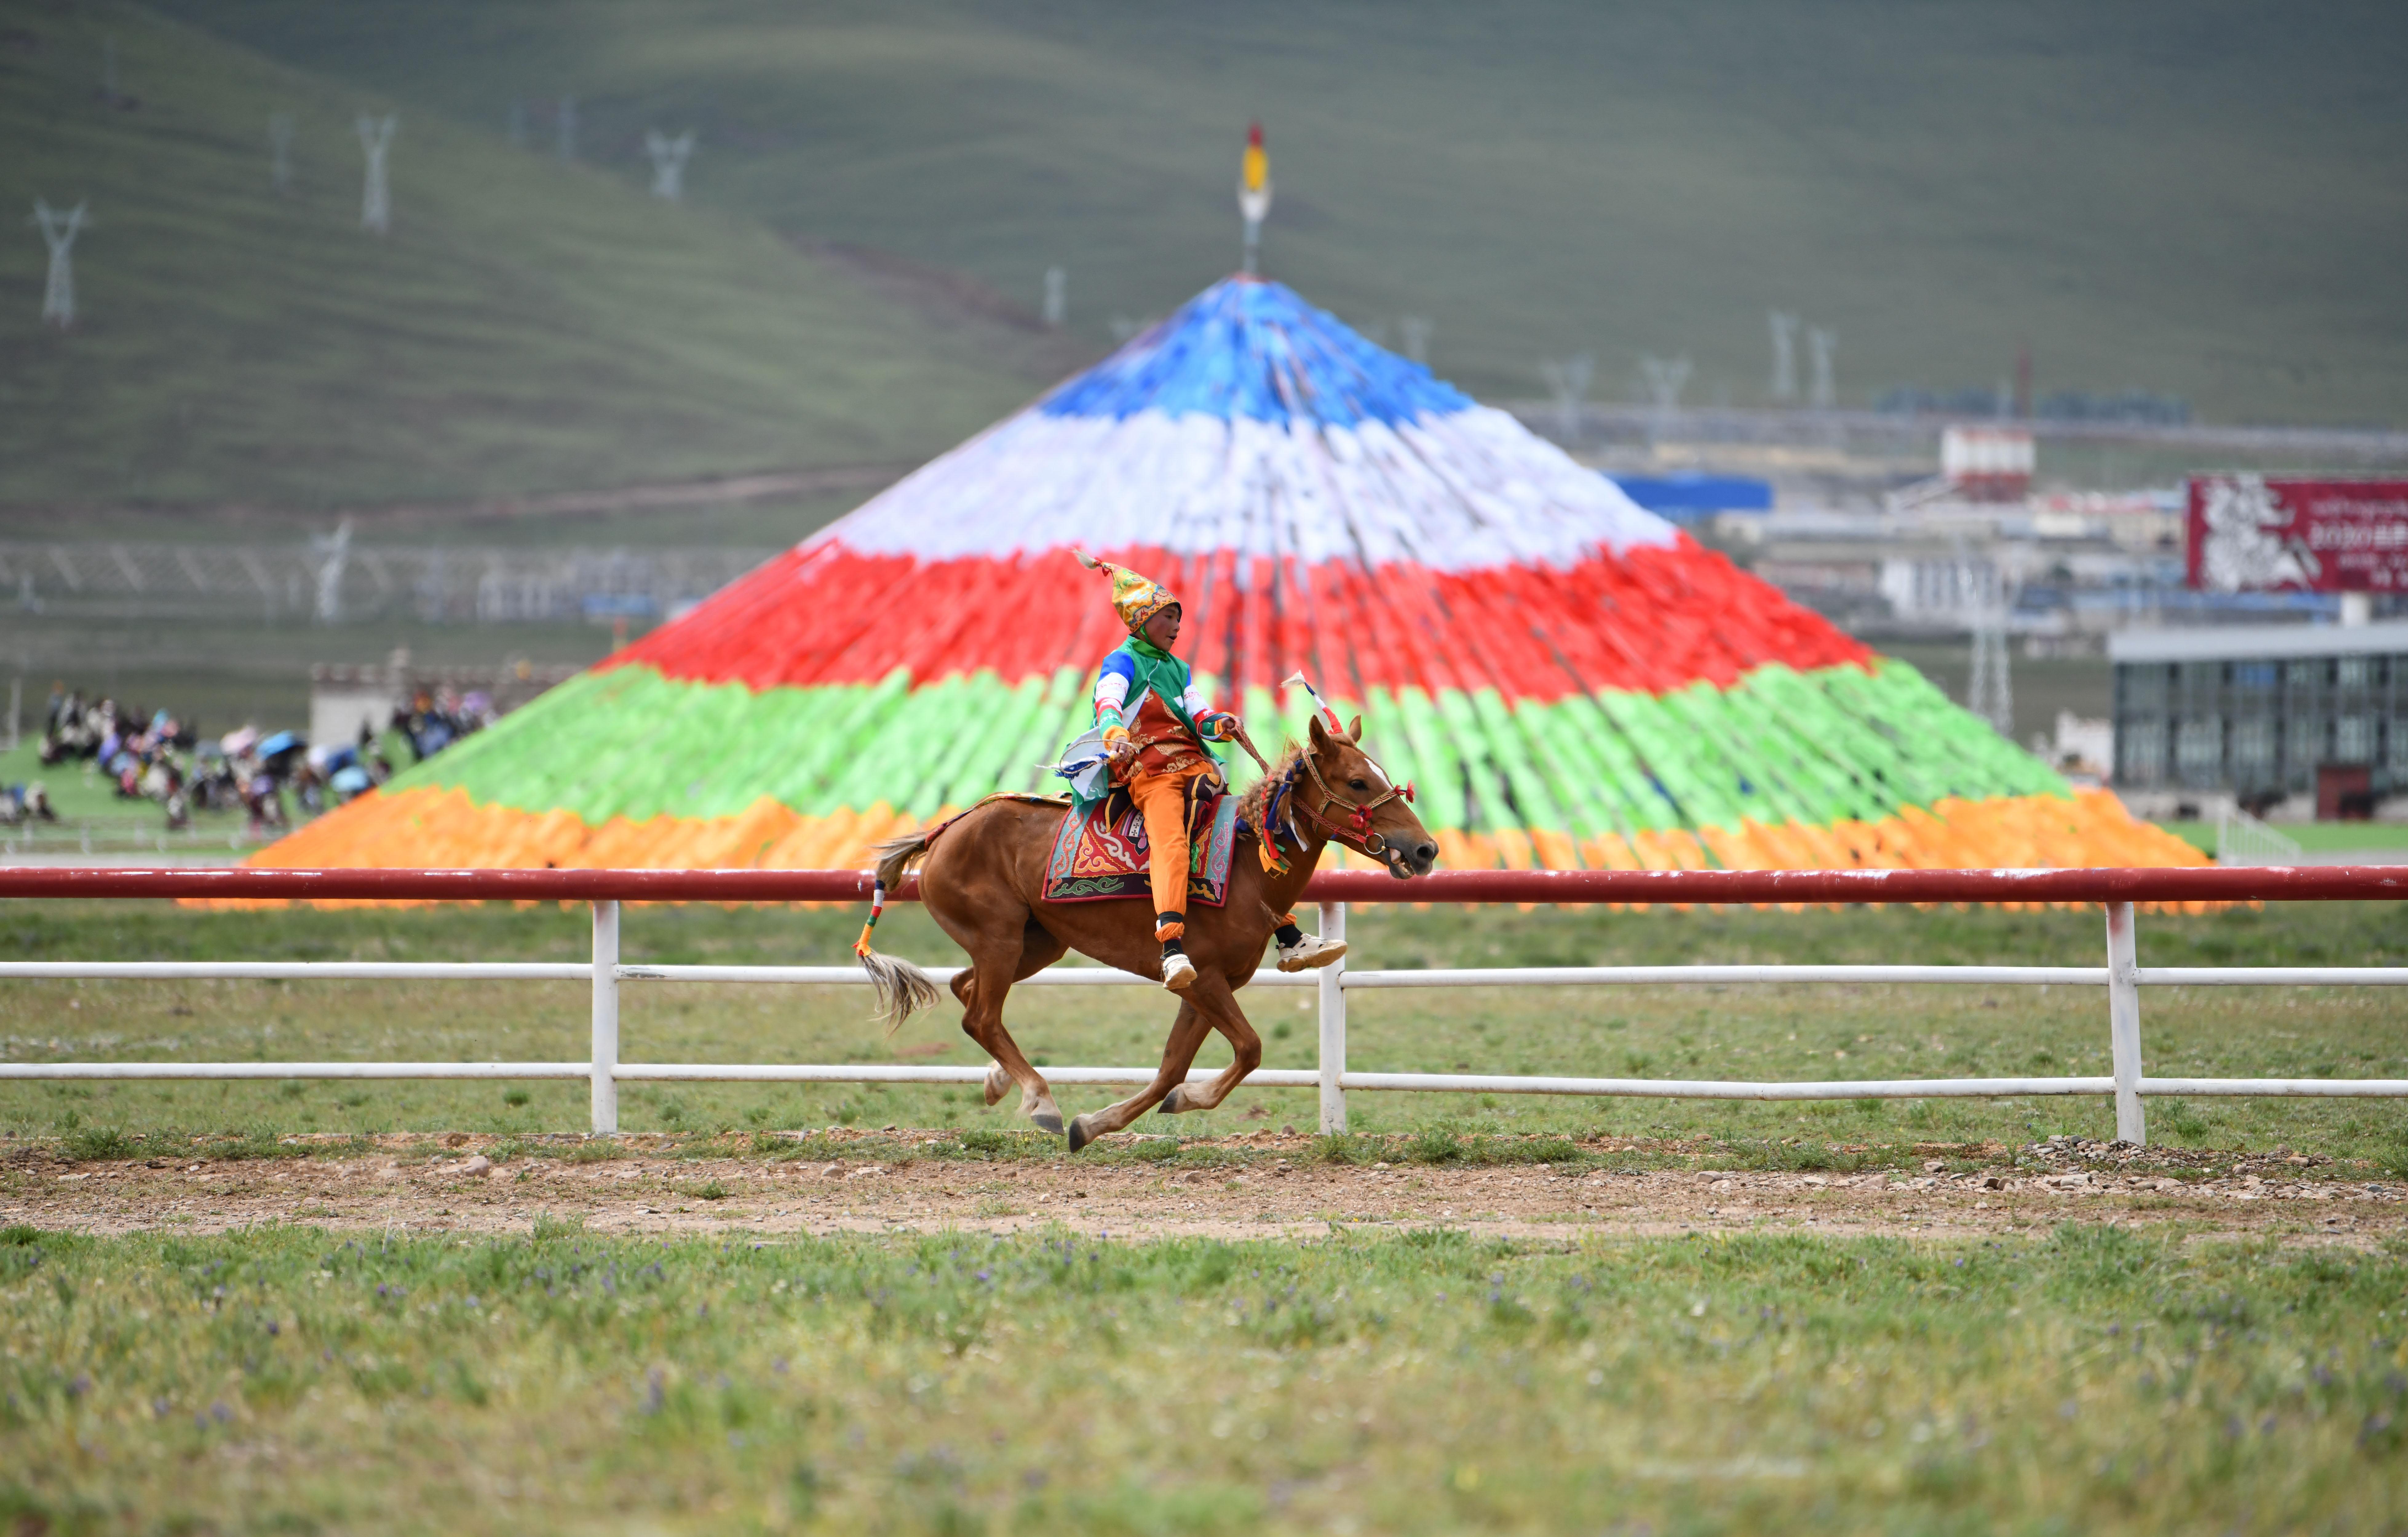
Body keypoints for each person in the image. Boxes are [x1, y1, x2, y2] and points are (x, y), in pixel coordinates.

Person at [1072, 551, 1343, 992]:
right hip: (1150, 772)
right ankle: (1172, 948)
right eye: (1168, 618)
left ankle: (1289, 937)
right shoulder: (1122, 662)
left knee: (1246, 836)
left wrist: (1222, 723)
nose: (1177, 627)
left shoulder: (1179, 669)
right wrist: (1114, 729)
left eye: (1178, 618)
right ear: (1142, 621)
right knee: (1171, 844)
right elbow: (1109, 701)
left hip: (1197, 770)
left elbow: (1199, 716)